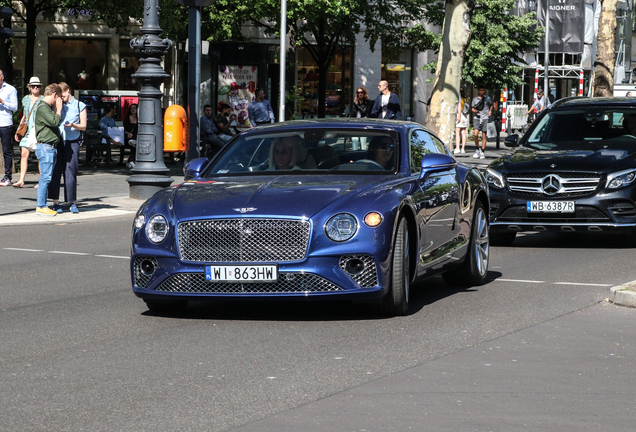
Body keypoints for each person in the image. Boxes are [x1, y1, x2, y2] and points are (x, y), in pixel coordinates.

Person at [48, 82, 87, 214]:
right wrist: (58, 107)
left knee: (71, 172)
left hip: (72, 141)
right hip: (59, 140)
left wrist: (73, 125)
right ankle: (55, 202)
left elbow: (84, 126)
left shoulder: (79, 105)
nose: (61, 97)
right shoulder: (59, 105)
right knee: (56, 171)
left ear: (68, 90)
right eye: (59, 95)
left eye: (62, 94)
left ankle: (72, 202)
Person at [33, 83, 63, 216]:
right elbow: (55, 122)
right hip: (46, 147)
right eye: (59, 97)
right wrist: (59, 109)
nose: (59, 100)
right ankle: (41, 205)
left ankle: (42, 204)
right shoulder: (43, 107)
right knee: (45, 178)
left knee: (47, 177)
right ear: (55, 94)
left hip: (49, 147)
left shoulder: (45, 107)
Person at [12, 77, 43, 188]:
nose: (35, 88)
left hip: (38, 131)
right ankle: (21, 180)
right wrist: (18, 131)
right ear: (29, 87)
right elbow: (25, 116)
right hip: (27, 131)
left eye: (38, 86)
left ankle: (41, 181)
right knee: (23, 154)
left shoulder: (43, 99)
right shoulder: (25, 99)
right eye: (33, 86)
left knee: (40, 156)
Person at [0, 69, 19, 186]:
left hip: (5, 123)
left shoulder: (11, 89)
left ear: (2, 77)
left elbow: (15, 107)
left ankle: (8, 176)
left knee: (6, 150)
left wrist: (3, 102)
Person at [471, 86, 493, 160]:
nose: (482, 91)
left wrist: (490, 111)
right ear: (478, 91)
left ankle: (482, 151)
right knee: (476, 134)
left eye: (483, 90)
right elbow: (472, 108)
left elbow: (492, 104)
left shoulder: (487, 98)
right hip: (477, 118)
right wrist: (475, 111)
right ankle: (477, 149)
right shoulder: (475, 99)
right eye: (481, 90)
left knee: (484, 135)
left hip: (485, 118)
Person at [455, 87, 469, 155]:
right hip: (465, 115)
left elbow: (459, 105)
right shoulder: (465, 97)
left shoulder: (458, 96)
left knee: (457, 132)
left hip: (460, 114)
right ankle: (463, 148)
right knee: (463, 132)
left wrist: (459, 116)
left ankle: (457, 148)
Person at [123, 103, 138, 167]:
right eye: (131, 108)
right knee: (133, 143)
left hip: (137, 137)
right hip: (128, 136)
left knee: (135, 143)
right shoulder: (127, 118)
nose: (133, 109)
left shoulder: (139, 119)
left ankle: (130, 160)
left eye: (134, 108)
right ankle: (131, 160)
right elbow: (123, 129)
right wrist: (128, 133)